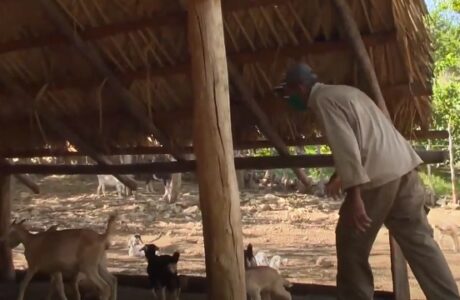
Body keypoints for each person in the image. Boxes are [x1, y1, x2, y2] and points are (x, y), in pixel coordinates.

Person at [277, 63, 460, 300]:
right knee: (421, 244)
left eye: (289, 93)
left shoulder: (321, 100)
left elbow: (347, 147)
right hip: (405, 169)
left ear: (300, 88)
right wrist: (338, 176)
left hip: (379, 178)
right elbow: (366, 139)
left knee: (351, 243)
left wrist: (355, 197)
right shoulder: (345, 92)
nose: (288, 98)